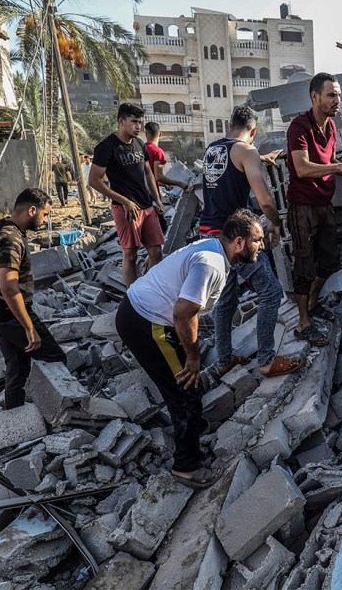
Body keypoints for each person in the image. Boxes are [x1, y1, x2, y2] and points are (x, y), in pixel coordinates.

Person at [115, 208, 266, 488]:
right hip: (146, 322)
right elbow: (184, 313)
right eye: (257, 240)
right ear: (239, 242)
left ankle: (191, 429)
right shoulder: (211, 263)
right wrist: (194, 357)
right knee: (186, 389)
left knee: (187, 384)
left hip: (144, 314)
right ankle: (187, 466)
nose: (262, 246)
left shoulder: (214, 250)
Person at [200, 105, 300, 377]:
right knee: (270, 292)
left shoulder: (213, 149)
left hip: (210, 234)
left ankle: (223, 361)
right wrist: (276, 225)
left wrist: (257, 159)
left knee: (226, 300)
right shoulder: (247, 152)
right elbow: (266, 201)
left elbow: (229, 174)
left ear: (229, 126)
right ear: (253, 132)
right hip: (236, 238)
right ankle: (267, 360)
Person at [285, 72, 342, 344]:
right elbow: (301, 168)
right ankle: (303, 323)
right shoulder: (299, 127)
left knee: (329, 260)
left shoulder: (332, 127)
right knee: (304, 265)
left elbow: (332, 160)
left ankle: (312, 303)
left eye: (338, 94)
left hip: (325, 204)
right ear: (315, 97)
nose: (338, 100)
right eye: (331, 95)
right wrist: (339, 167)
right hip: (302, 205)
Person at [0, 188, 67, 409]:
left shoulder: (4, 227)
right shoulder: (10, 239)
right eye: (45, 214)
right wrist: (29, 327)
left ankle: (17, 421)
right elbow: (9, 288)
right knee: (55, 358)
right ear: (32, 210)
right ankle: (62, 415)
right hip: (11, 315)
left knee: (17, 371)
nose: (46, 219)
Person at [89, 103, 165, 286]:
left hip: (146, 206)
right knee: (130, 254)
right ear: (121, 121)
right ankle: (133, 295)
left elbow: (148, 172)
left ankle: (150, 289)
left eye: (140, 122)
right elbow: (94, 180)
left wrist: (157, 200)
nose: (138, 126)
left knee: (156, 251)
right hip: (126, 210)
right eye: (134, 122)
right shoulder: (107, 147)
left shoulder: (140, 144)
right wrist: (124, 201)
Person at [144, 122, 190, 195]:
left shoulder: (140, 149)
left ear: (146, 134)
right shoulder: (157, 151)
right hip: (150, 195)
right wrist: (180, 184)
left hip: (139, 194)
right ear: (160, 134)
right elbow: (158, 177)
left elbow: (147, 175)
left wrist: (164, 185)